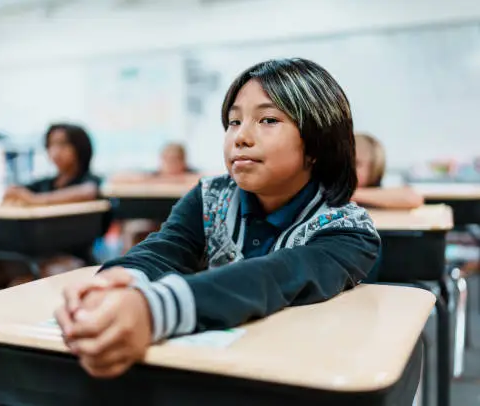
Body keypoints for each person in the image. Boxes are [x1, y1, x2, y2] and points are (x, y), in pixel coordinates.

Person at [55, 58, 380, 378]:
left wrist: (153, 311)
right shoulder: (212, 196)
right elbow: (164, 250)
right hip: (215, 372)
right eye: (234, 122)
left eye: (267, 120)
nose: (240, 137)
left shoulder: (347, 230)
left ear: (317, 143)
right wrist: (116, 285)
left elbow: (273, 278)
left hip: (299, 378)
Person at [0, 123, 101, 301]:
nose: (55, 151)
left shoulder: (90, 182)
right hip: (23, 254)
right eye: (51, 145)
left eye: (63, 144)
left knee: (22, 287)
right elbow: (11, 193)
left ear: (80, 148)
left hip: (66, 256)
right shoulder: (42, 184)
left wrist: (34, 199)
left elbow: (89, 191)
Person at [111, 142, 202, 252]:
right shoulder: (154, 175)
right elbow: (117, 178)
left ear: (183, 161)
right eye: (166, 159)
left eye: (174, 159)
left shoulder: (192, 176)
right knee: (131, 227)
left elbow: (206, 178)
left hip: (181, 221)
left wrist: (172, 179)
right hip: (154, 218)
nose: (170, 164)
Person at [352, 133, 424, 209]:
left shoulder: (374, 192)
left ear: (374, 169)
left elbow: (412, 197)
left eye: (356, 163)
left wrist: (351, 194)